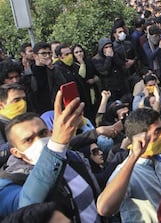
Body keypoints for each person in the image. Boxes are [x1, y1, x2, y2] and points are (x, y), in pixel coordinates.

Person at [0, 92, 104, 222]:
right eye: (28, 140)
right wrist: (56, 146)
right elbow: (26, 206)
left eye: (43, 133)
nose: (39, 141)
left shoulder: (72, 158)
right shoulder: (10, 180)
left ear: (50, 132)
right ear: (16, 152)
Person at [97, 108, 161, 223]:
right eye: (158, 131)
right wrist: (134, 156)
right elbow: (104, 209)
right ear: (140, 138)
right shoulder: (125, 173)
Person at [28, 42, 66, 115]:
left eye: (49, 53)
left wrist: (52, 68)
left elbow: (63, 85)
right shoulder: (29, 73)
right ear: (35, 56)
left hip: (54, 108)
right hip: (37, 111)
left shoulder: (54, 69)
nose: (47, 56)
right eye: (43, 54)